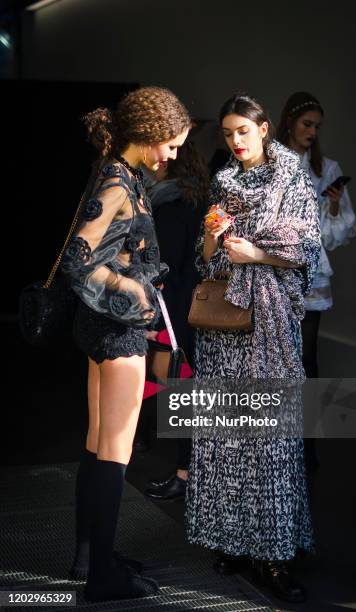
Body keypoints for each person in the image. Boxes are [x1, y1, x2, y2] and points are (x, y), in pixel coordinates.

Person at [185, 93, 321, 604]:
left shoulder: (292, 180)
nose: (236, 142)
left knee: (269, 440)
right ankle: (232, 540)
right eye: (227, 134)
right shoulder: (224, 183)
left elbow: (305, 249)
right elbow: (204, 263)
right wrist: (213, 238)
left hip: (267, 323)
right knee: (226, 436)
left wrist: (255, 252)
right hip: (223, 325)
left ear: (265, 128)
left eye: (244, 130)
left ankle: (276, 554)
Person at [61, 86, 190, 602]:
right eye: (172, 144)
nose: (174, 155)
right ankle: (101, 580)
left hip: (103, 328)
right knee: (115, 452)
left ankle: (90, 558)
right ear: (152, 134)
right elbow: (78, 260)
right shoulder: (119, 180)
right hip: (118, 332)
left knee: (98, 445)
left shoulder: (119, 173)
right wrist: (136, 293)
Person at [143, 140, 210, 500]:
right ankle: (191, 472)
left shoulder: (169, 205)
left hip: (174, 311)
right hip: (193, 308)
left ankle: (186, 475)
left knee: (177, 389)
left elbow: (165, 267)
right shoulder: (197, 199)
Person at [276, 92, 356, 379]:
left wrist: (333, 204)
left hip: (308, 264)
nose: (312, 131)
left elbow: (333, 234)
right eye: (306, 124)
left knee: (306, 354)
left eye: (317, 127)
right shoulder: (268, 159)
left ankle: (305, 419)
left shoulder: (326, 168)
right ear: (290, 121)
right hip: (270, 262)